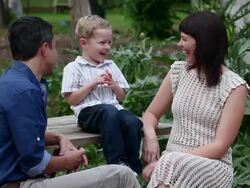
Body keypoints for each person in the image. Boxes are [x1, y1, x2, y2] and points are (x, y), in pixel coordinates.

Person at [0, 16, 141, 188]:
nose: (57, 53)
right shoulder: (24, 91)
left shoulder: (11, 81)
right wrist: (67, 161)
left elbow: (23, 134)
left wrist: (59, 137)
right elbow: (33, 163)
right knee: (122, 175)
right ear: (45, 49)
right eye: (55, 47)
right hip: (20, 184)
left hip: (22, 179)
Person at [142, 11, 248, 188]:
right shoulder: (178, 72)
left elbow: (220, 146)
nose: (179, 44)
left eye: (184, 39)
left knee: (171, 165)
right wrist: (151, 137)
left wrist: (171, 159)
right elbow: (151, 113)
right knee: (171, 167)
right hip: (174, 164)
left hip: (212, 165)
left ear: (204, 43)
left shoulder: (235, 86)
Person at [61, 15, 143, 174]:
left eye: (109, 42)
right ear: (84, 43)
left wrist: (113, 85)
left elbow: (121, 97)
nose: (107, 47)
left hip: (113, 112)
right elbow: (71, 99)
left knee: (133, 122)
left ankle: (133, 166)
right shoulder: (73, 68)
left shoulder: (110, 66)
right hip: (88, 114)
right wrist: (92, 84)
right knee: (108, 111)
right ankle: (117, 162)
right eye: (102, 43)